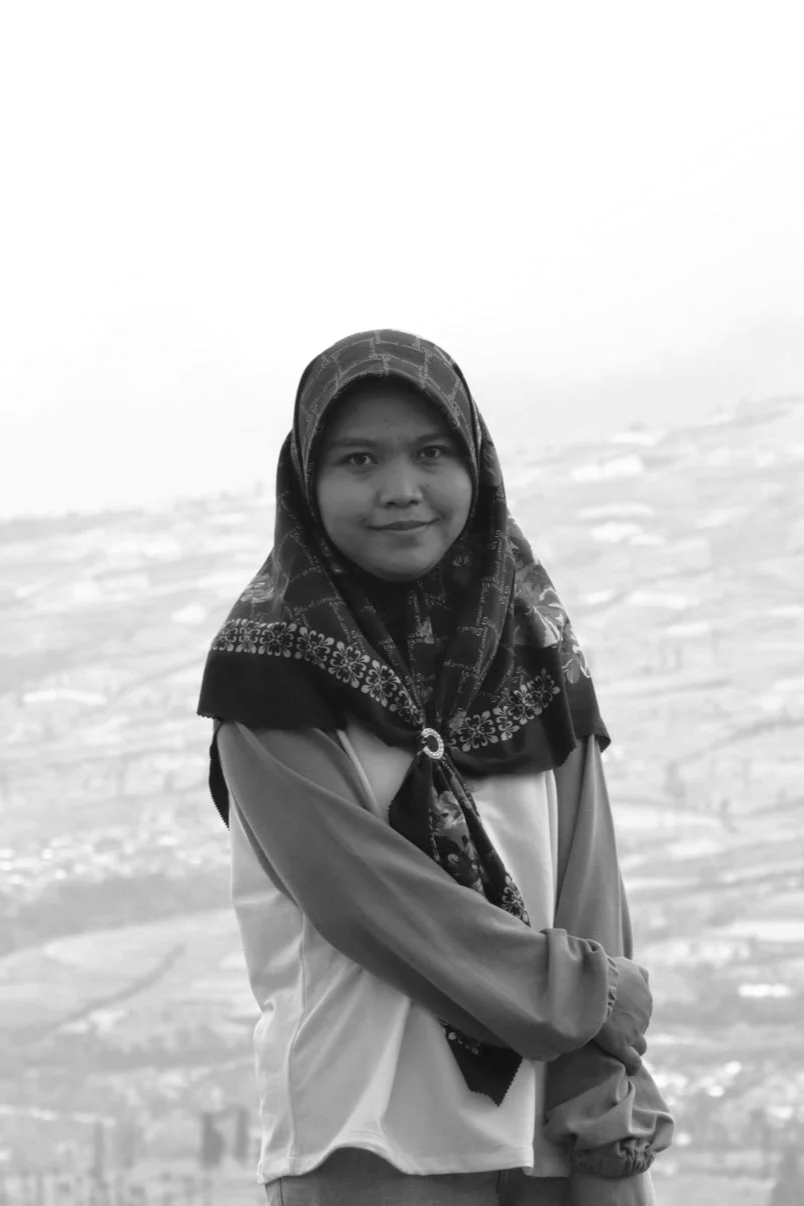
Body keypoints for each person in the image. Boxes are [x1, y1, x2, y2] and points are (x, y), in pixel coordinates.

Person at [197, 329, 674, 1205]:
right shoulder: (268, 676)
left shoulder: (536, 651)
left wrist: (604, 1102)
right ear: (307, 481)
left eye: (431, 453)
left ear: (476, 466)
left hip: (549, 1138)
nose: (400, 489)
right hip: (369, 1136)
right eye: (358, 460)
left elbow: (589, 890)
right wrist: (585, 997)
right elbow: (369, 902)